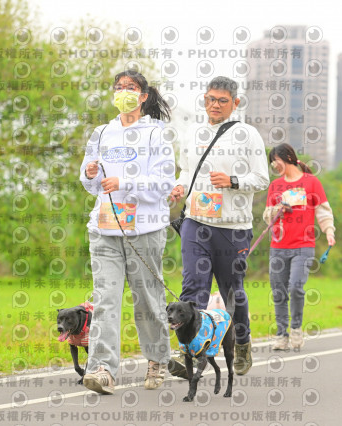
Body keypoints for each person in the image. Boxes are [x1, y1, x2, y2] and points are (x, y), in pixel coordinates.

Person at [79, 70, 175, 394]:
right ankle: (102, 369)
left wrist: (125, 182)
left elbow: (164, 183)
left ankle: (157, 358)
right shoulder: (102, 132)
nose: (123, 92)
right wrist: (89, 172)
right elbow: (89, 183)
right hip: (104, 227)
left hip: (144, 229)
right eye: (118, 87)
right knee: (105, 299)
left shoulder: (155, 133)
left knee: (147, 299)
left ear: (143, 96)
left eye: (130, 87)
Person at [168, 76, 269, 376]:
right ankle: (189, 350)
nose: (215, 105)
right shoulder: (193, 132)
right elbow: (186, 171)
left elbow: (261, 178)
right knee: (192, 287)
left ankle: (242, 342)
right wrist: (179, 187)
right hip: (196, 221)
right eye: (210, 99)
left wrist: (233, 181)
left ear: (235, 103)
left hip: (232, 227)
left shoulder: (247, 135)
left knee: (231, 292)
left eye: (222, 101)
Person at [263, 144, 335, 350]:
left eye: (276, 161)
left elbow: (323, 210)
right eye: (272, 163)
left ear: (287, 157)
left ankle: (295, 328)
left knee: (295, 287)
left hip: (303, 246)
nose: (274, 166)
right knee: (278, 292)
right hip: (278, 246)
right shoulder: (275, 185)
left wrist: (329, 231)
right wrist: (278, 209)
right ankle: (281, 335)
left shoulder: (311, 182)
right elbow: (267, 216)